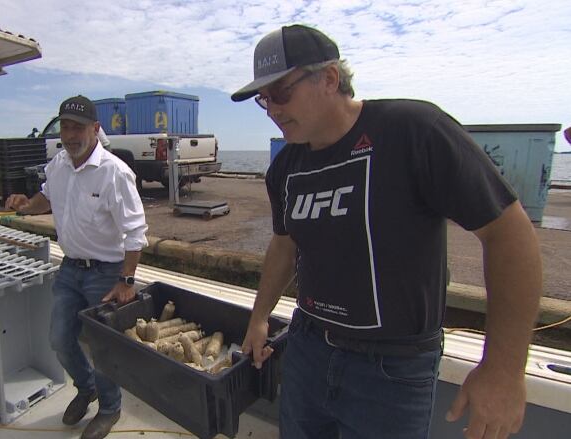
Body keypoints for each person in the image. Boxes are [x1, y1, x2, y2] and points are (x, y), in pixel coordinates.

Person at [232, 25, 542, 439]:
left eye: (281, 92)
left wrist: (503, 369)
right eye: (263, 98)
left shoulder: (414, 130)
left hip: (392, 368)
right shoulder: (285, 167)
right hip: (307, 346)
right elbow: (285, 244)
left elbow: (509, 234)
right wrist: (259, 317)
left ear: (329, 78)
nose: (271, 108)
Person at [5, 95, 147, 439]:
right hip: (70, 269)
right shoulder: (58, 165)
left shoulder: (114, 173)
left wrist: (127, 280)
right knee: (59, 338)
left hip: (106, 273)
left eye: (78, 127)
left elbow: (136, 231)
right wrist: (27, 207)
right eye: (65, 126)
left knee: (102, 348)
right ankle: (87, 387)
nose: (70, 134)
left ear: (95, 129)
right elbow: (47, 197)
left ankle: (110, 408)